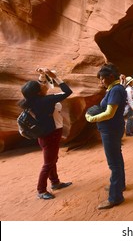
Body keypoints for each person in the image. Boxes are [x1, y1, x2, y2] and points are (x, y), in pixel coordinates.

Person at [18, 68, 73, 200]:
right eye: (41, 85)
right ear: (38, 92)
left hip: (44, 134)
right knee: (48, 163)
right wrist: (56, 77)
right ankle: (41, 190)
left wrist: (42, 75)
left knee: (52, 159)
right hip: (51, 134)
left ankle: (55, 182)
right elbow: (68, 91)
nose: (43, 85)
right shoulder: (46, 100)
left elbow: (38, 88)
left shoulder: (31, 101)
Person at [85, 63, 127, 210]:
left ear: (110, 77)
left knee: (113, 164)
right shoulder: (116, 88)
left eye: (102, 79)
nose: (101, 81)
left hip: (110, 130)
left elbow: (109, 113)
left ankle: (115, 197)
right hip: (114, 128)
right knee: (117, 158)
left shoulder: (115, 90)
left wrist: (91, 119)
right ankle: (120, 185)